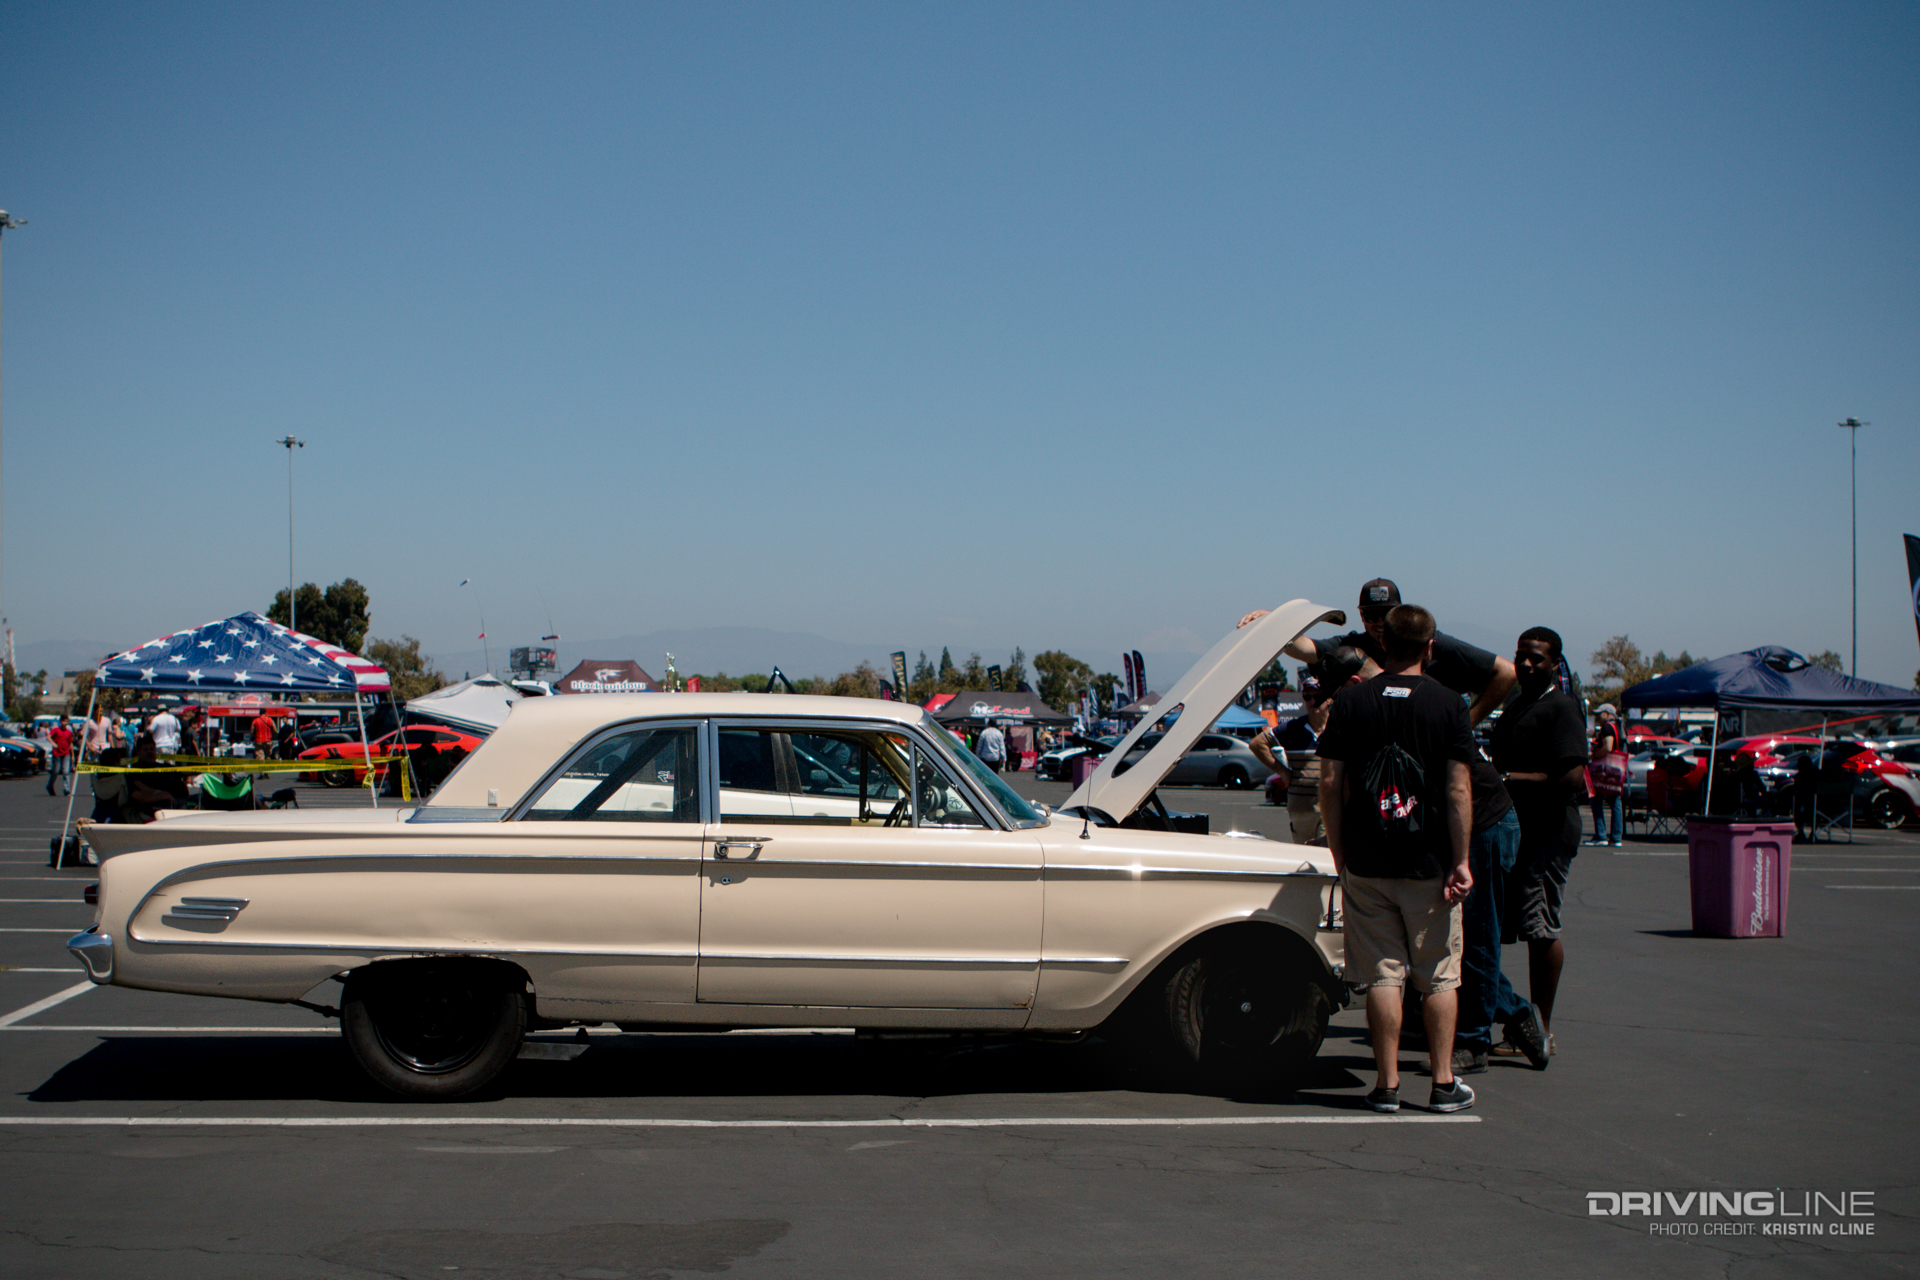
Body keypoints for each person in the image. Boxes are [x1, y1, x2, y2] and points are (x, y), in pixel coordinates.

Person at [1317, 604, 1477, 1114]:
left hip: (1367, 858)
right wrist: (1461, 859)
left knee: (1384, 976)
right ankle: (1442, 1082)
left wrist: (1339, 850)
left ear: (1382, 644)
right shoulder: (1449, 704)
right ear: (1430, 647)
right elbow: (1458, 789)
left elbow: (1329, 783)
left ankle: (1386, 1086)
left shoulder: (1350, 702)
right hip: (1428, 863)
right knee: (1438, 975)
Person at [1489, 626, 1589, 1059]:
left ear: (1554, 664)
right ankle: (1518, 1020)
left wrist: (1509, 780)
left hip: (1548, 833)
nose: (1528, 664)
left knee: (1539, 928)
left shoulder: (1561, 708)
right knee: (1501, 926)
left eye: (1538, 658)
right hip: (1513, 830)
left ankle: (1541, 1028)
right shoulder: (1516, 706)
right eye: (1521, 656)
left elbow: (1571, 778)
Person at [1242, 578, 1517, 725]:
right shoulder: (1352, 647)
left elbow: (1505, 672)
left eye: (1385, 614)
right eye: (1370, 615)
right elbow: (1305, 649)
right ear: (1360, 616)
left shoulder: (1429, 640)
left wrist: (1467, 724)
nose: (1378, 623)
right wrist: (1275, 623)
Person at [1454, 748, 1550, 1074]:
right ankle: (1516, 1011)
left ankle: (1473, 1043)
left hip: (1484, 824)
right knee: (1458, 942)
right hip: (1469, 823)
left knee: (1477, 940)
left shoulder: (1432, 708)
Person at [1249, 646, 1366, 845]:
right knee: (1303, 853)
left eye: (1317, 696)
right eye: (1307, 696)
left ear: (1328, 698)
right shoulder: (1292, 728)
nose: (1312, 701)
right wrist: (1282, 771)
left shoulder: (1338, 726)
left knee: (1326, 853)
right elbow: (1257, 743)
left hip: (1330, 806)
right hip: (1300, 807)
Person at [1587, 703, 1625, 847]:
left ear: (1608, 714)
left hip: (1606, 769)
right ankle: (1616, 837)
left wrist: (1595, 754)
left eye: (1600, 714)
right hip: (1616, 768)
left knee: (1596, 799)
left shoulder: (1608, 727)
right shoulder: (1617, 727)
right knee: (1615, 801)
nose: (1598, 717)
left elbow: (1608, 747)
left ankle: (1601, 835)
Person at [46, 716, 74, 796]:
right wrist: (53, 743)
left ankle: (67, 789)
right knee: (56, 771)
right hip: (57, 753)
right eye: (64, 721)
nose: (65, 723)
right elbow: (48, 736)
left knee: (66, 772)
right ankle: (50, 786)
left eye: (67, 721)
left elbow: (70, 743)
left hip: (66, 753)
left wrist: (72, 755)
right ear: (61, 721)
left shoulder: (69, 732)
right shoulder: (56, 730)